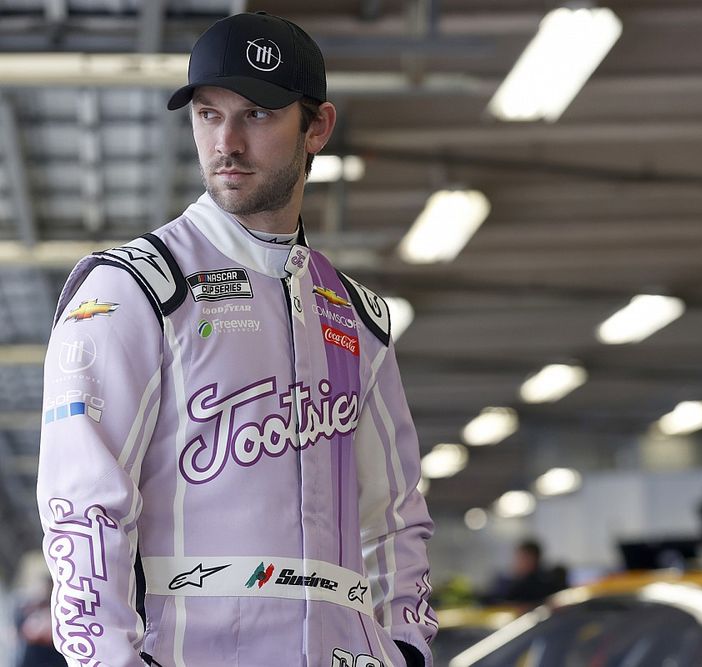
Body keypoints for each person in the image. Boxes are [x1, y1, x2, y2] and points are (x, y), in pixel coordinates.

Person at [36, 12, 436, 666]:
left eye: (256, 114)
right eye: (207, 113)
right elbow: (82, 508)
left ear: (318, 126)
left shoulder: (357, 315)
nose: (226, 142)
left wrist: (406, 647)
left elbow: (395, 515)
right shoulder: (135, 288)